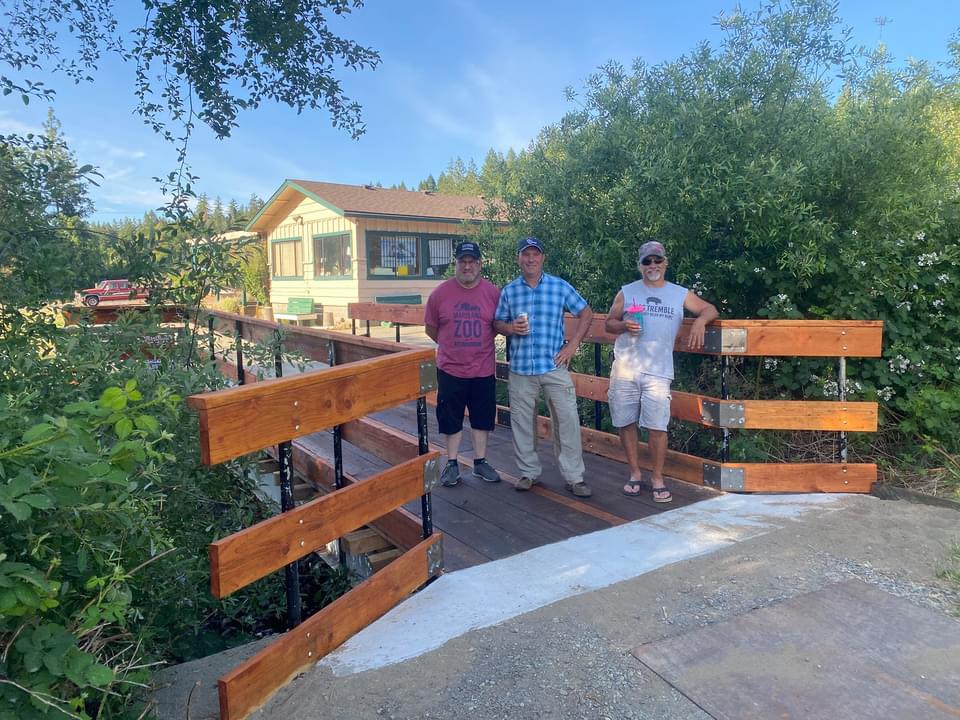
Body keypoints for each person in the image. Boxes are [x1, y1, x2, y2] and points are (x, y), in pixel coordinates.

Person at [604, 240, 718, 503]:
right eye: (647, 261)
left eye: (657, 260)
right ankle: (635, 474)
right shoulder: (627, 292)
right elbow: (609, 323)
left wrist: (700, 322)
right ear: (640, 265)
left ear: (665, 263)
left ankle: (657, 478)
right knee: (625, 422)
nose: (652, 265)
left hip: (659, 369)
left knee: (657, 426)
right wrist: (623, 325)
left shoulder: (679, 293)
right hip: (625, 368)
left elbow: (709, 309)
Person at [494, 237, 595, 497]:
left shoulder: (559, 286)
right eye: (526, 254)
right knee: (522, 422)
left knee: (567, 420)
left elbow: (586, 312)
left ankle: (574, 477)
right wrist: (510, 328)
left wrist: (573, 345)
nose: (531, 259)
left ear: (542, 258)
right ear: (518, 258)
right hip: (521, 367)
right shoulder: (509, 291)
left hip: (553, 365)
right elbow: (497, 323)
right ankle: (528, 472)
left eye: (535, 254)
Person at [424, 240, 502, 487]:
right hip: (450, 369)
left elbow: (497, 326)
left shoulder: (493, 293)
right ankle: (452, 463)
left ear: (479, 264)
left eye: (472, 262)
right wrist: (451, 345)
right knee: (450, 418)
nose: (467, 266)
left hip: (483, 368)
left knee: (482, 417)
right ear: (455, 264)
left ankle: (480, 462)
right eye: (462, 261)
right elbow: (431, 328)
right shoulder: (440, 294)